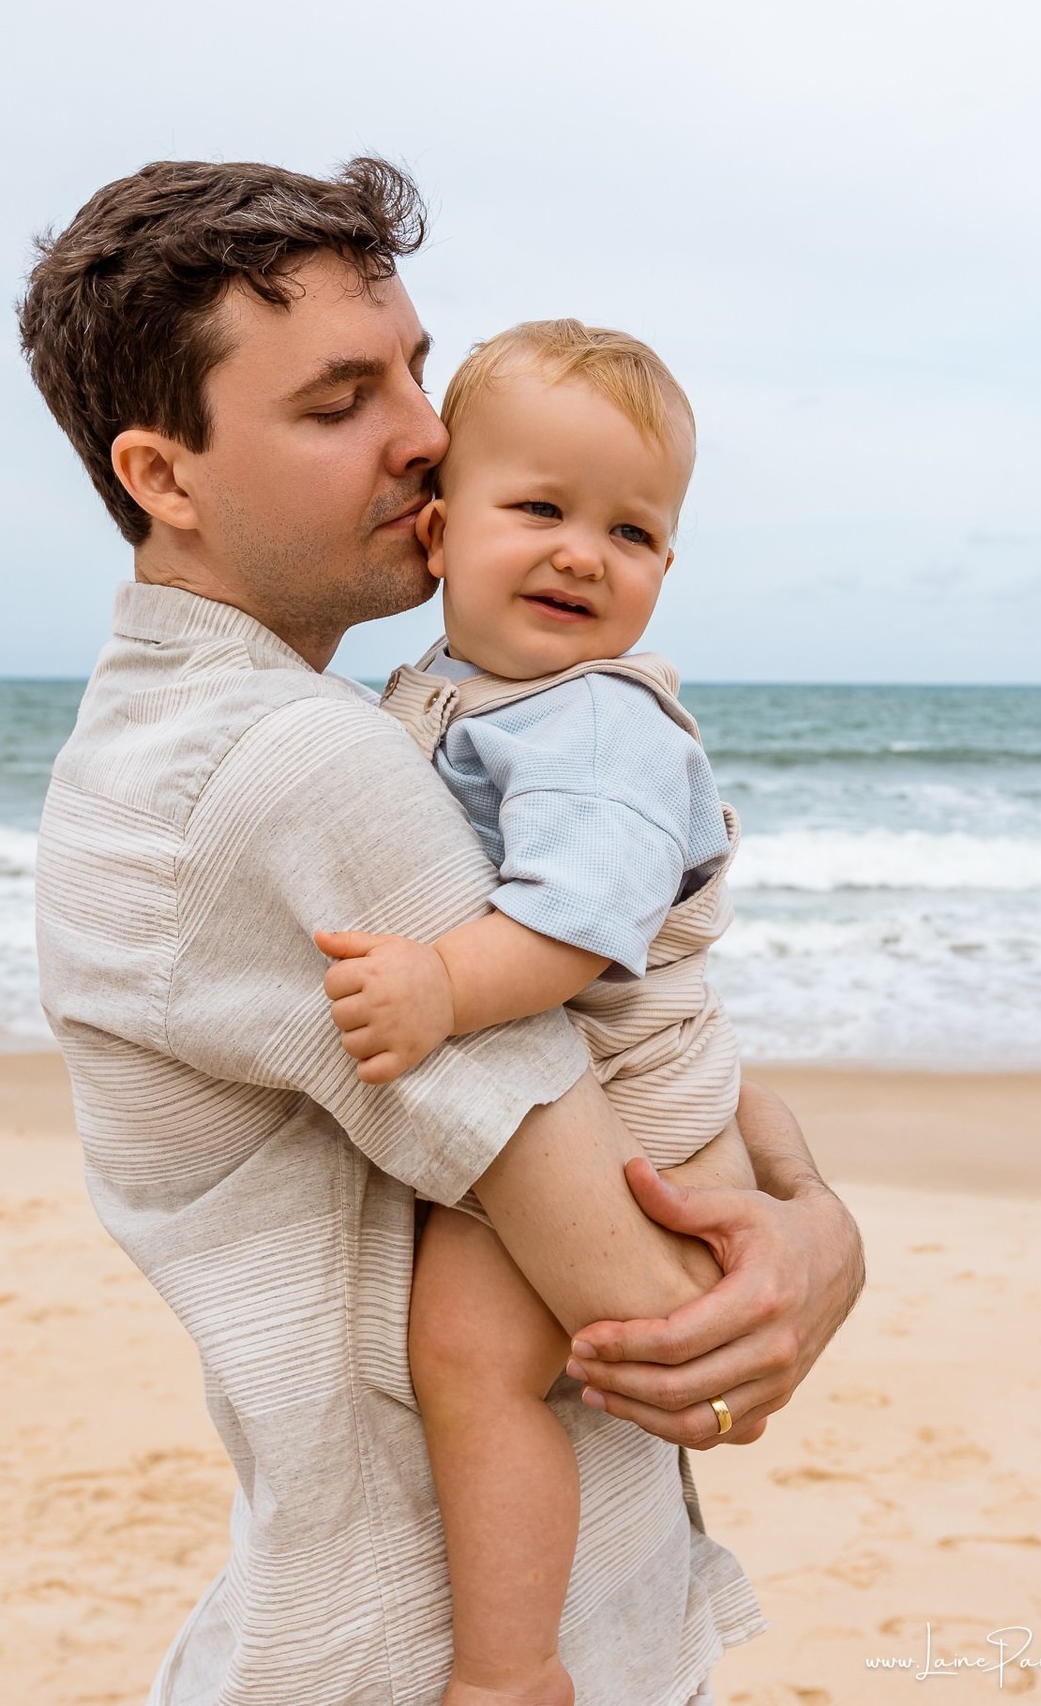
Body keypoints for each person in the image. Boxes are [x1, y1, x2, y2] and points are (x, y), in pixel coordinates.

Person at [19, 155, 864, 1706]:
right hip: (422, 1663)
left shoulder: (191, 736)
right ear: (165, 475)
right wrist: (819, 1233)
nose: (423, 430)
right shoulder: (300, 766)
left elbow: (600, 1019)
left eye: (415, 365)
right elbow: (678, 1345)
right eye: (340, 402)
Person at [316, 318, 756, 1706]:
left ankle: (510, 1672)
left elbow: (574, 928)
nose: (583, 552)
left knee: (472, 1357)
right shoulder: (465, 693)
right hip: (591, 1092)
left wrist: (444, 985)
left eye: (632, 533)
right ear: (440, 533)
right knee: (473, 1359)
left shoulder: (596, 723)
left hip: (636, 1106)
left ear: (667, 572)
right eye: (542, 509)